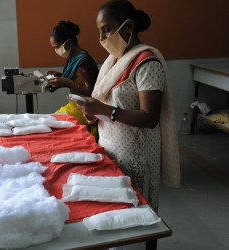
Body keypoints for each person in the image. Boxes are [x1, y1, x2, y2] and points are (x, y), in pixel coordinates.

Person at [73, 0, 180, 211]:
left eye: (107, 30)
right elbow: (107, 101)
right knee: (117, 210)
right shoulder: (113, 60)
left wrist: (103, 110)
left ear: (128, 27)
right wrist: (92, 111)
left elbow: (149, 118)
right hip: (112, 148)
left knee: (141, 212)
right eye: (99, 31)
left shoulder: (147, 63)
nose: (102, 38)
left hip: (137, 156)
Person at [46, 20, 99, 135]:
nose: (56, 51)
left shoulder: (83, 62)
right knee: (50, 121)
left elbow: (91, 91)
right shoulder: (73, 58)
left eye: (57, 47)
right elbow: (74, 78)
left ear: (69, 43)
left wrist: (66, 81)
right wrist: (59, 77)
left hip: (86, 108)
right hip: (75, 105)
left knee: (53, 126)